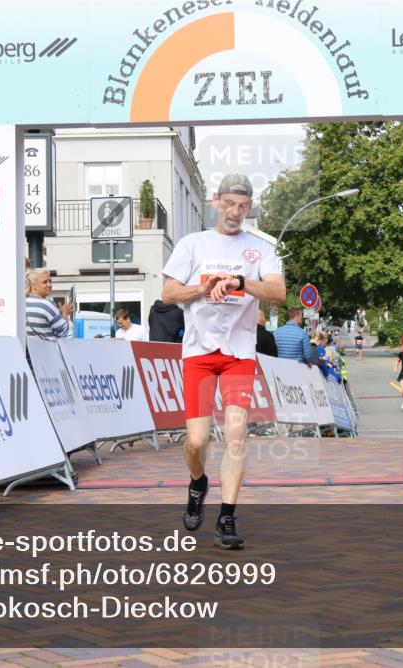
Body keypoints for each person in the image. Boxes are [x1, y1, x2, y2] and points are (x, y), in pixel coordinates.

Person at [161, 173, 284, 549]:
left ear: (249, 208)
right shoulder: (192, 243)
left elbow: (278, 292)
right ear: (216, 202)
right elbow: (167, 294)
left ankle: (227, 517)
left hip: (239, 355)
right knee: (197, 440)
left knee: (235, 434)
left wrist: (240, 283)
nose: (235, 212)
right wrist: (203, 286)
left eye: (243, 207)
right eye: (229, 204)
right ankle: (198, 483)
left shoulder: (260, 248)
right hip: (199, 354)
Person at [25, 268, 71, 340]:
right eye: (45, 282)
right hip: (48, 350)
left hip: (28, 350)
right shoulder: (47, 305)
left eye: (50, 281)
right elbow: (63, 332)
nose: (49, 285)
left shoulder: (22, 304)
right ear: (33, 285)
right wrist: (65, 314)